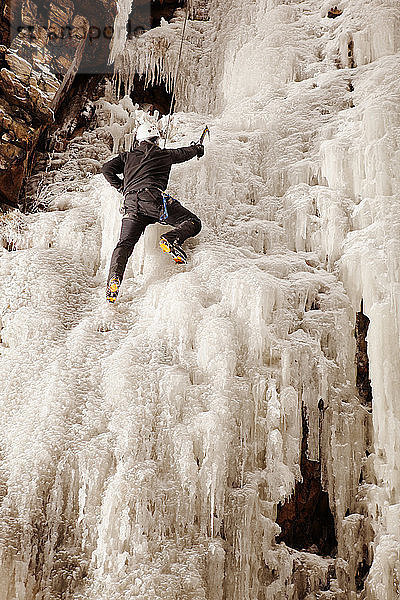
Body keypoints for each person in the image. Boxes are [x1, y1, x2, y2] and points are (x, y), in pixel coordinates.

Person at [101, 122, 204, 303]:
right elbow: (183, 153)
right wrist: (197, 148)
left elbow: (106, 169)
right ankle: (171, 239)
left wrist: (122, 187)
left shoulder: (127, 156)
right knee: (193, 221)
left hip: (131, 204)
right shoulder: (163, 153)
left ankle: (113, 282)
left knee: (124, 244)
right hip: (153, 200)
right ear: (156, 139)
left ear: (139, 140)